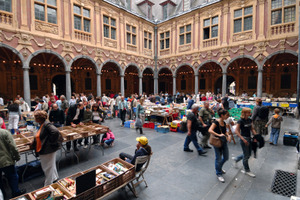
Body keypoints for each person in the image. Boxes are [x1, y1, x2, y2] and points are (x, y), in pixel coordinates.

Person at [31, 111, 62, 186]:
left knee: (47, 168)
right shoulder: (43, 124)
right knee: (51, 165)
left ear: (38, 119)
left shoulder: (46, 124)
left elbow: (55, 132)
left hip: (47, 150)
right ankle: (54, 178)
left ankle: (48, 184)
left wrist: (50, 142)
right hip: (46, 149)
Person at [0, 129, 26, 198]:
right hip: (6, 160)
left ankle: (3, 195)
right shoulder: (4, 132)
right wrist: (17, 157)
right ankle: (15, 192)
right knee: (12, 176)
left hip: (4, 159)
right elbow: (13, 146)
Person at [232, 107, 258, 178]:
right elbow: (236, 131)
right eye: (249, 112)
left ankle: (236, 159)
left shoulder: (250, 120)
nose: (250, 113)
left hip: (249, 138)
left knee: (248, 154)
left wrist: (256, 136)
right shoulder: (240, 121)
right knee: (246, 156)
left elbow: (252, 129)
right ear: (245, 113)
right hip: (244, 139)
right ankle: (247, 170)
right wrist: (243, 139)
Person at [208, 109, 231, 183]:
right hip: (217, 142)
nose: (227, 116)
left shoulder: (224, 122)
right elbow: (210, 130)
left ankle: (219, 167)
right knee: (218, 157)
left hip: (223, 141)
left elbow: (225, 131)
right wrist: (219, 135)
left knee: (226, 157)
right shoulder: (216, 122)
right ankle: (218, 173)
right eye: (226, 115)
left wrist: (228, 135)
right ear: (222, 115)